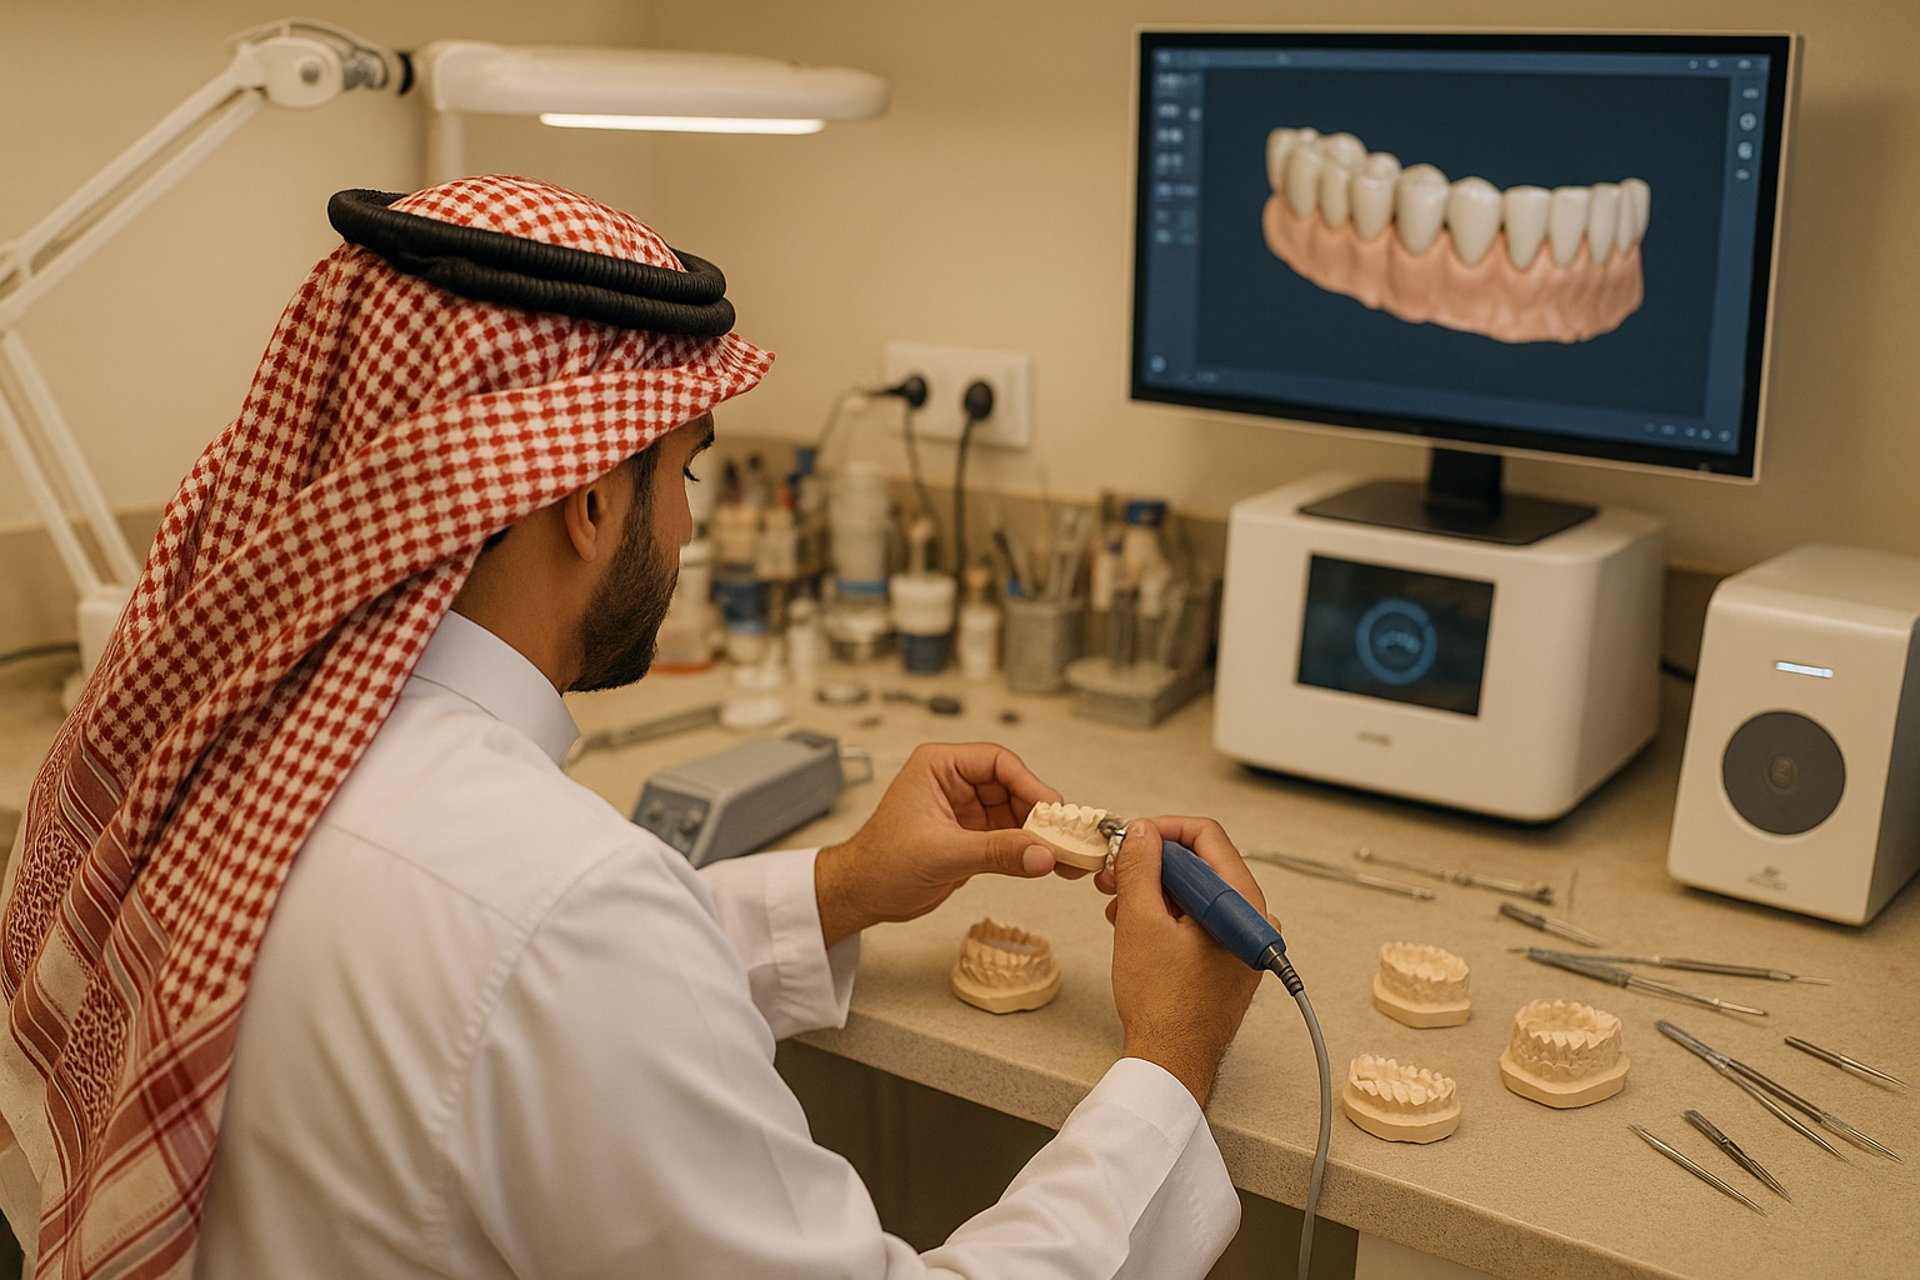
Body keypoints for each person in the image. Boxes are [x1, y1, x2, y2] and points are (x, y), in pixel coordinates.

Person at [0, 176, 1271, 1278]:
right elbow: (541, 968)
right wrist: (1168, 1063)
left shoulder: (212, 751)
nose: (691, 524)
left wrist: (837, 887)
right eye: (687, 471)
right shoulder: (558, 909)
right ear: (589, 499)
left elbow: (490, 1009)